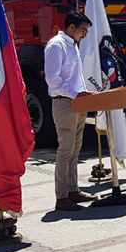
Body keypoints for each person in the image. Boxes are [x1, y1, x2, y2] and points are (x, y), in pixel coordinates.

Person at [44, 11, 96, 212]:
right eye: (83, 30)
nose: (85, 35)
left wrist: (83, 93)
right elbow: (53, 79)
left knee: (75, 149)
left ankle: (73, 190)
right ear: (71, 27)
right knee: (65, 150)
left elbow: (75, 76)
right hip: (65, 102)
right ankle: (62, 196)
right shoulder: (56, 45)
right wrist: (76, 94)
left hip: (78, 101)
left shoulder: (72, 45)